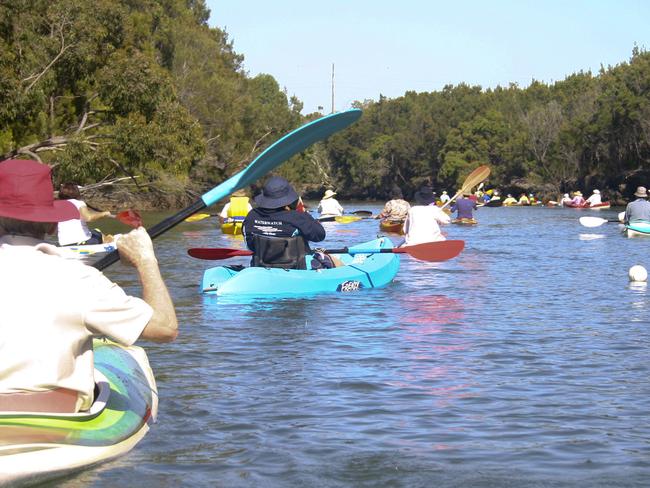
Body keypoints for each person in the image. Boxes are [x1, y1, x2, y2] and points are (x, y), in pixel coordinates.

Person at [0, 159, 178, 414]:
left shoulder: (80, 277)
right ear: (52, 225)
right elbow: (165, 328)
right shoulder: (80, 279)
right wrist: (145, 261)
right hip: (51, 419)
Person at [243, 176, 325, 269]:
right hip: (296, 268)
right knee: (330, 260)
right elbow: (320, 235)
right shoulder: (297, 217)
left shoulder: (252, 216)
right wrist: (303, 212)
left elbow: (250, 246)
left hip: (261, 267)